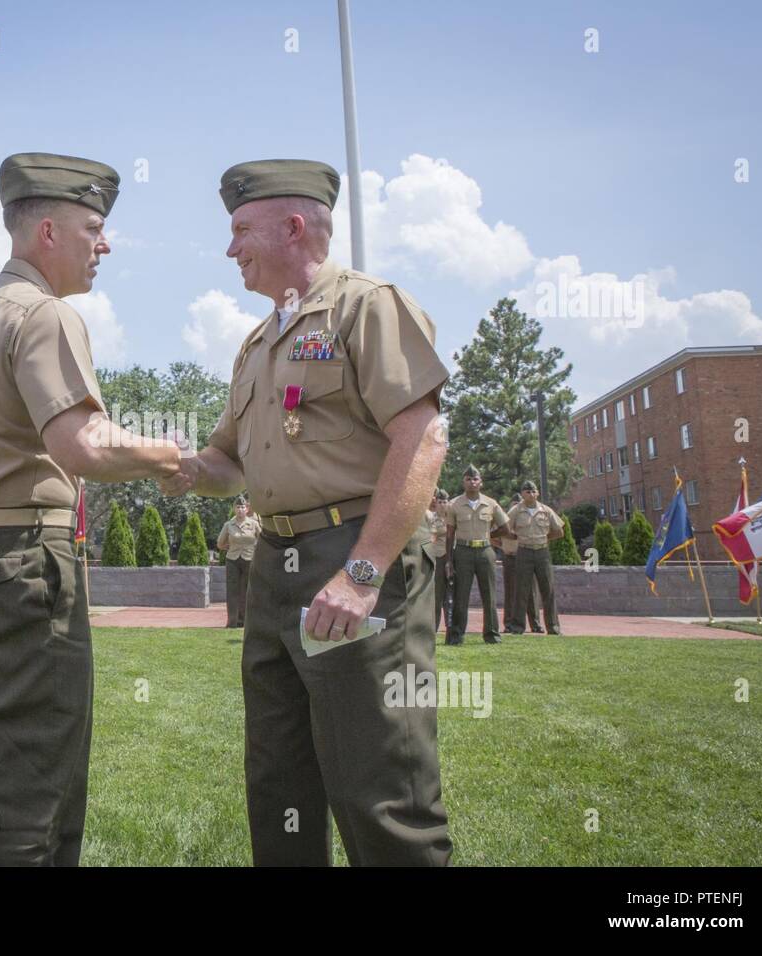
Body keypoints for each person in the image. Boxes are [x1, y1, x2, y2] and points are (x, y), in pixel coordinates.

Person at [163, 159, 452, 866]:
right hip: (275, 568)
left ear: (294, 226)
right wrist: (182, 468)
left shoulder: (367, 306)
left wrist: (362, 571)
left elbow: (421, 436)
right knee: (279, 784)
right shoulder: (256, 344)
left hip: (349, 556)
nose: (230, 250)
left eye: (240, 230)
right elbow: (231, 465)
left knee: (378, 784)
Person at [0, 152, 185, 866]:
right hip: (25, 564)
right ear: (48, 235)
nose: (107, 245)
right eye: (94, 228)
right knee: (35, 784)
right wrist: (171, 459)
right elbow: (83, 445)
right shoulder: (45, 315)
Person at [445, 465, 512, 644]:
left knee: (489, 594)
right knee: (461, 595)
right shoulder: (454, 504)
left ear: (480, 482)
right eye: (468, 479)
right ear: (463, 482)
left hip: (485, 551)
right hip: (463, 551)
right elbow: (450, 534)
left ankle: (491, 635)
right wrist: (449, 561)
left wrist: (489, 536)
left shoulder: (491, 503)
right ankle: (457, 635)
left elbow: (506, 528)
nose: (472, 482)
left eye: (475, 479)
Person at [508, 480, 565, 635]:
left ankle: (553, 627)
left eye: (533, 491)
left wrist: (545, 538)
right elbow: (505, 528)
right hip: (524, 551)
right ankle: (517, 626)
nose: (531, 494)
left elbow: (559, 531)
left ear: (537, 493)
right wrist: (518, 537)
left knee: (548, 590)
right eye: (527, 491)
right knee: (521, 590)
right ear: (522, 494)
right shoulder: (516, 511)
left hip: (542, 552)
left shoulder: (545, 510)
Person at [496, 492, 540, 634]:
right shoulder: (504, 521)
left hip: (527, 556)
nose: (516, 507)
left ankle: (536, 624)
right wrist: (502, 546)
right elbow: (491, 535)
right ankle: (509, 623)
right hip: (510, 558)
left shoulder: (527, 520)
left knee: (531, 593)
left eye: (518, 504)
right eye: (514, 504)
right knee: (510, 593)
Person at [217, 497, 260, 628]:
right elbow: (220, 543)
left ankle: (245, 621)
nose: (240, 510)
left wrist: (255, 549)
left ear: (247, 509)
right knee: (232, 590)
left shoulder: (253, 524)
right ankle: (232, 621)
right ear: (234, 509)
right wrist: (229, 547)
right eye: (238, 507)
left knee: (247, 590)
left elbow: (263, 540)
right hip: (233, 560)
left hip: (249, 559)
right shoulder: (228, 525)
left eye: (243, 507)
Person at [427, 488, 450, 632]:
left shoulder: (453, 517)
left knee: (451, 594)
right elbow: (432, 537)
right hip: (438, 557)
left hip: (453, 557)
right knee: (437, 594)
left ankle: (451, 626)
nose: (442, 504)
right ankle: (433, 627)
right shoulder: (432, 518)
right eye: (440, 501)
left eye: (445, 501)